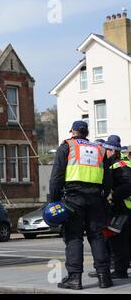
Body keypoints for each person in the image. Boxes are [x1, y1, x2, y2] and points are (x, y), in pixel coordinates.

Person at [49, 120, 112, 289]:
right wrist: (102, 196)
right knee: (97, 236)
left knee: (73, 237)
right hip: (95, 198)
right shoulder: (99, 150)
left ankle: (75, 278)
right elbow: (107, 180)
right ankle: (104, 277)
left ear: (74, 132)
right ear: (87, 132)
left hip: (73, 198)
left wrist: (53, 202)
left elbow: (56, 178)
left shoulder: (67, 147)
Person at [98, 136, 131, 278]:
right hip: (122, 208)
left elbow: (128, 186)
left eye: (106, 149)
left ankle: (120, 271)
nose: (104, 151)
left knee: (119, 241)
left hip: (122, 209)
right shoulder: (117, 163)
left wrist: (112, 196)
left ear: (112, 150)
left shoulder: (121, 165)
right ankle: (117, 269)